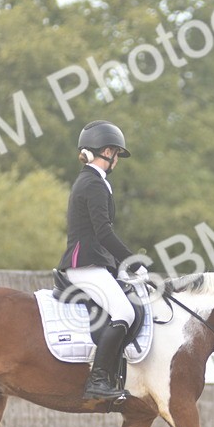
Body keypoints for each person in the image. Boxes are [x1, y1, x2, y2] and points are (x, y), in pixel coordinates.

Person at [57, 120, 142, 400]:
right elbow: (104, 233)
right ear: (107, 151)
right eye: (116, 153)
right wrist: (133, 261)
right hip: (84, 264)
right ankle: (98, 380)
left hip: (95, 261)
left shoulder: (93, 181)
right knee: (125, 313)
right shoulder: (93, 183)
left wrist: (120, 267)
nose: (117, 160)